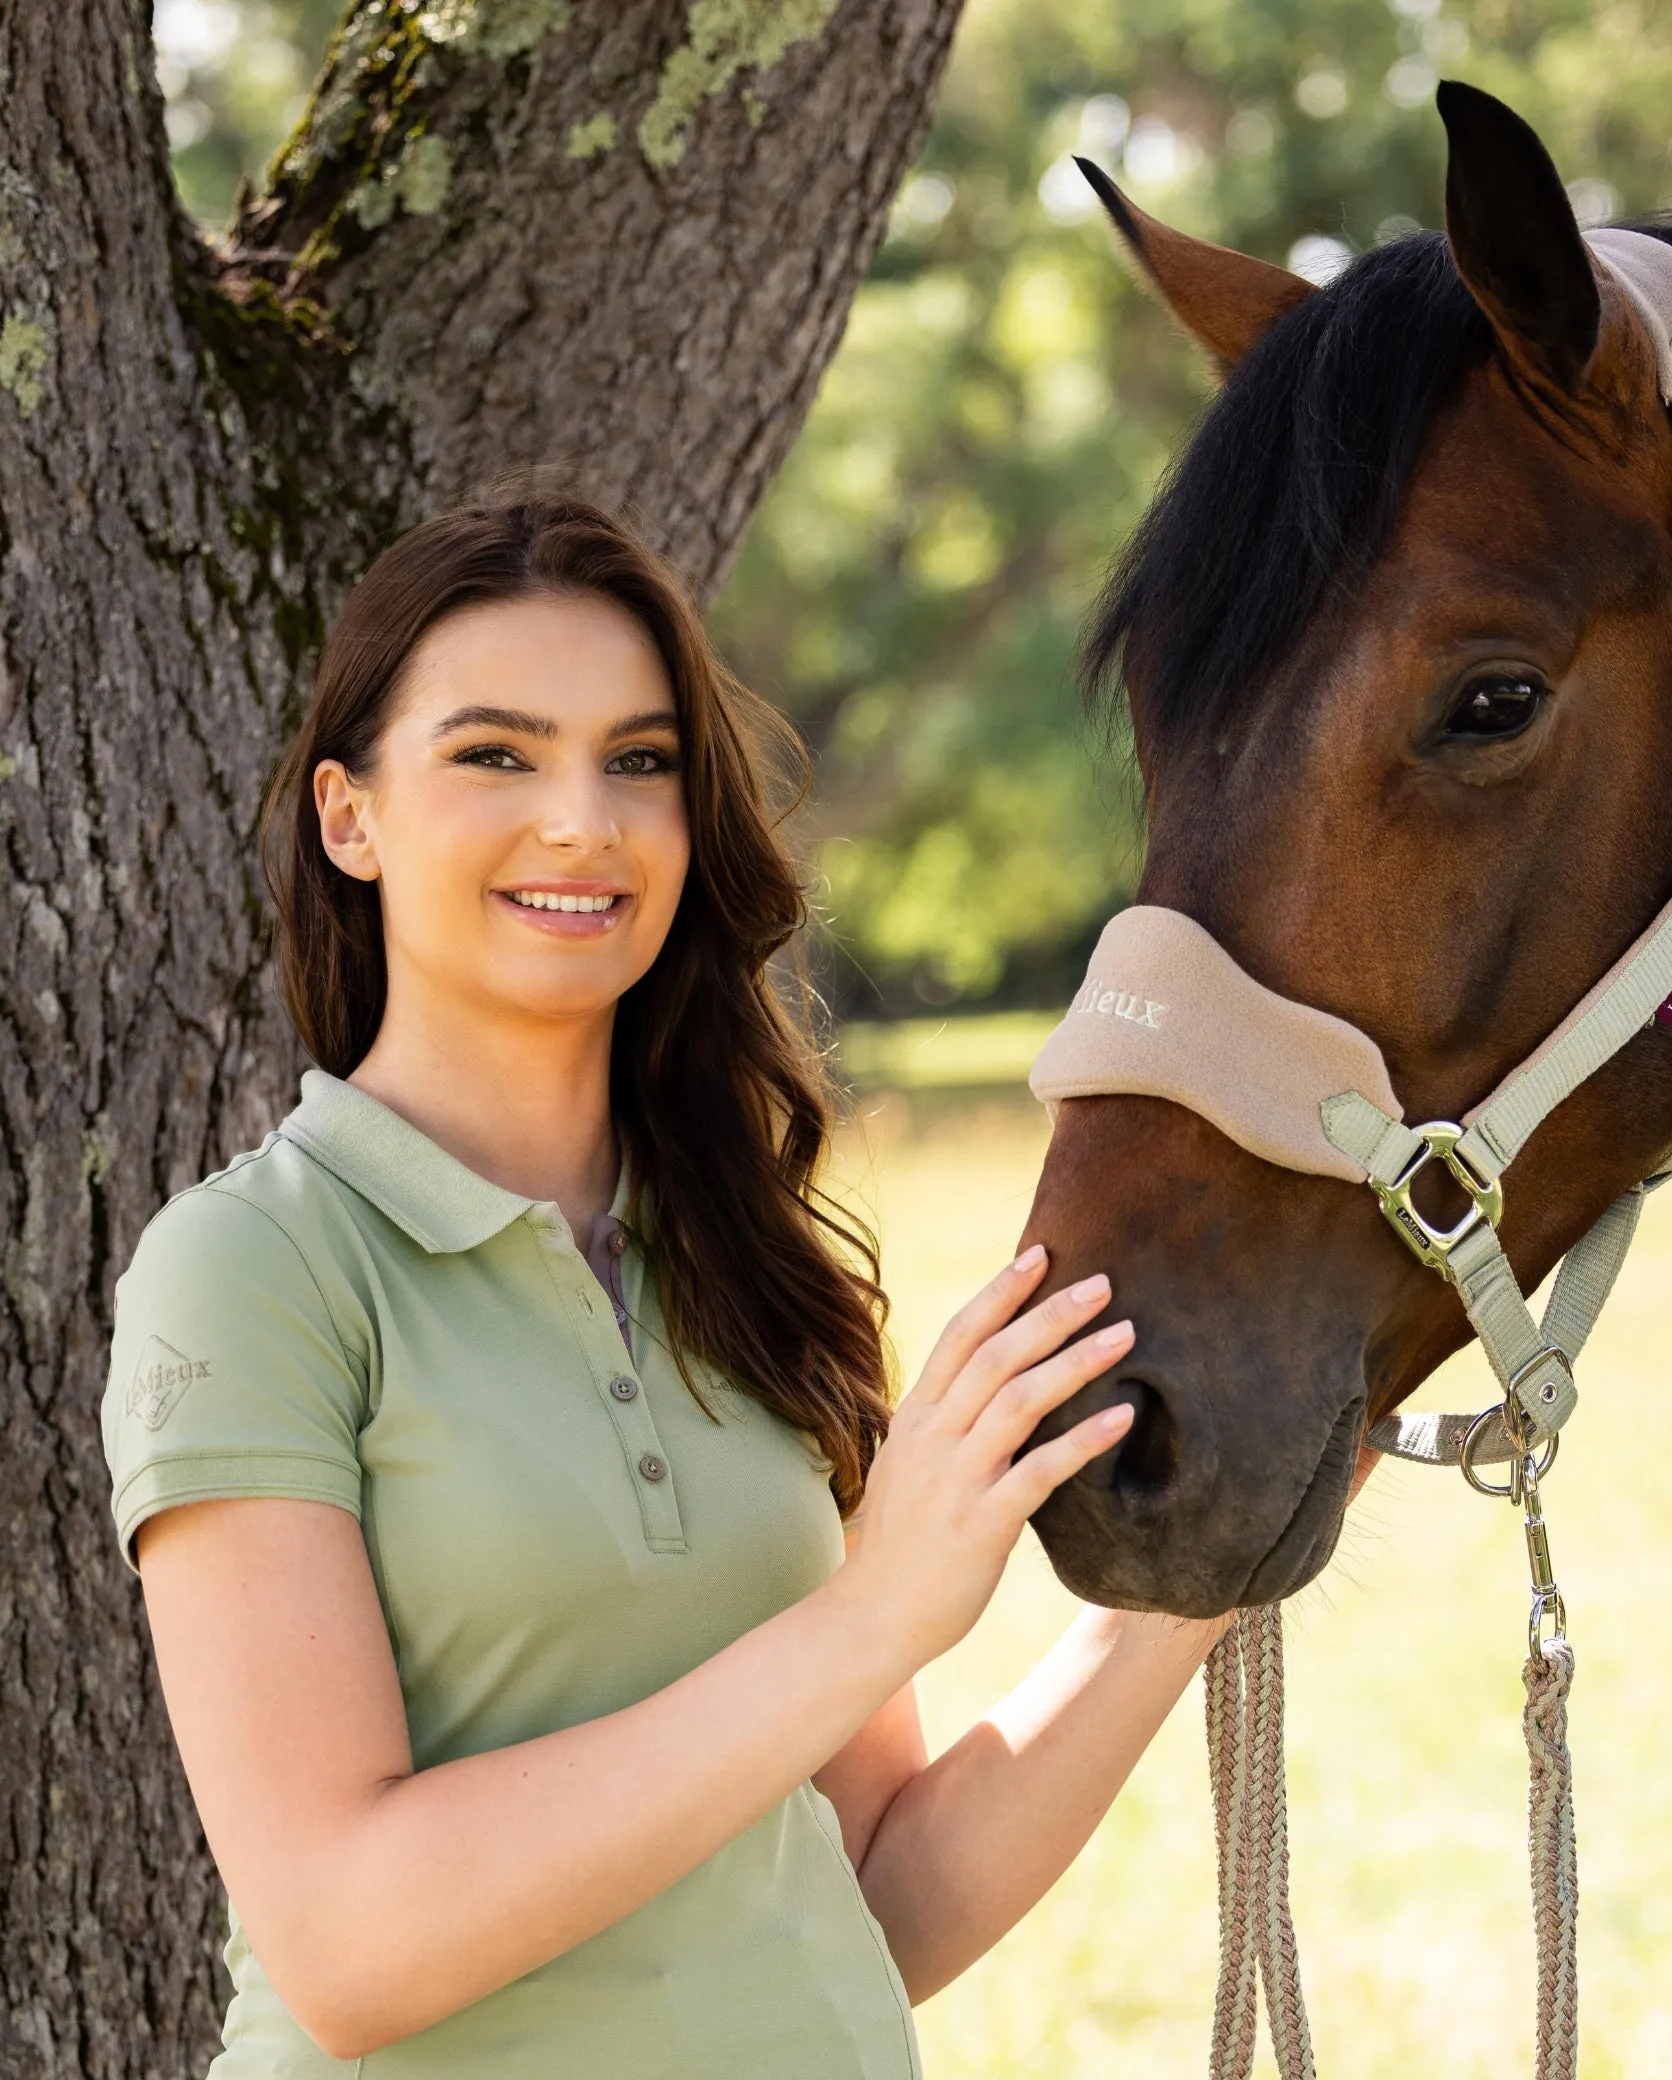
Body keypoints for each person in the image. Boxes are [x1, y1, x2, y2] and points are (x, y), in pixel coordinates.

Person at [100, 494, 1227, 2077]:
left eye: (639, 760)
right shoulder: (255, 1269)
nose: (584, 819)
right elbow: (349, 1943)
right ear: (349, 817)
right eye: (497, 754)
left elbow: (878, 1895)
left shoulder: (744, 1261)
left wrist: (1200, 1586)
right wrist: (875, 1614)